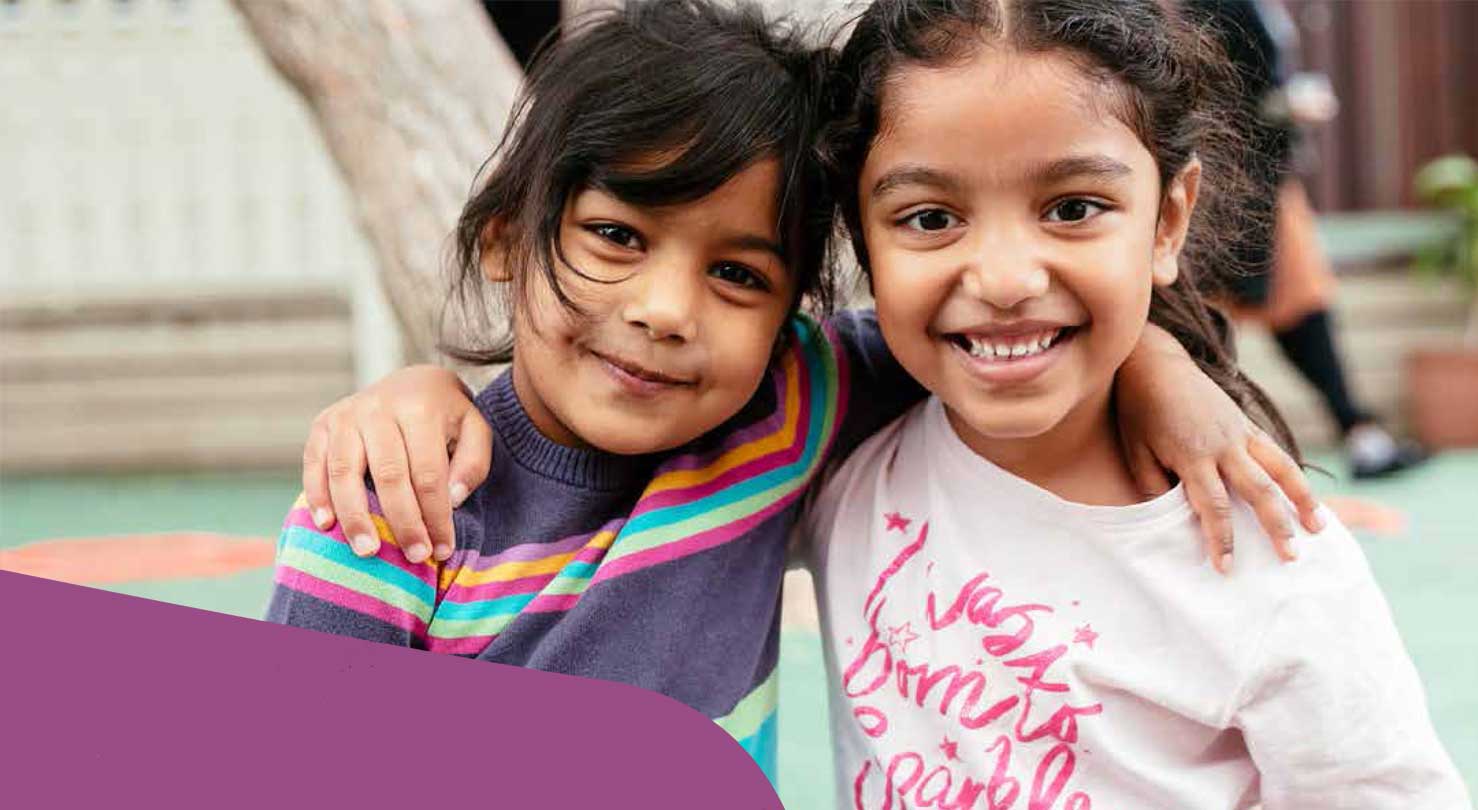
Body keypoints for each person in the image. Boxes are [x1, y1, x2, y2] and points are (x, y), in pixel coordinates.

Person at [273, 0, 1318, 780]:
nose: (667, 308)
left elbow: (987, 327)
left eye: (738, 274)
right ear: (505, 238)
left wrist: (1161, 367)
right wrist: (410, 390)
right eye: (614, 236)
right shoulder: (391, 504)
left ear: (786, 318)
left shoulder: (780, 408)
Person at [802, 0, 1468, 805]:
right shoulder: (836, 458)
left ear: (1169, 220)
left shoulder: (1267, 553)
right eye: (931, 218)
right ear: (861, 235)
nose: (1007, 279)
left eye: (1073, 209)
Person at [1188, 0, 1428, 479]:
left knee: (1298, 305)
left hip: (1263, 181)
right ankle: (1353, 433)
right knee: (1206, 319)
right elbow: (1215, 92)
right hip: (1228, 185)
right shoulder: (1214, 4)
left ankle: (1358, 431)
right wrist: (1285, 105)